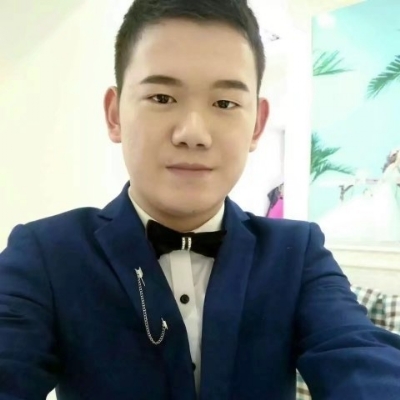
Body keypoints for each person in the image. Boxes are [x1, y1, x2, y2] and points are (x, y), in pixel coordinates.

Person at [1, 1, 400, 399]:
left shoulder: (297, 253)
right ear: (115, 115)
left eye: (225, 103)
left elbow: (357, 352)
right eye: (162, 97)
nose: (193, 133)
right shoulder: (46, 254)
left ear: (257, 124)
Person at [318, 148, 400, 243]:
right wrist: (373, 191)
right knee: (384, 212)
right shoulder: (392, 167)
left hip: (389, 191)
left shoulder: (395, 168)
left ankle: (386, 235)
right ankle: (384, 235)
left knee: (386, 213)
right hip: (385, 191)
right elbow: (383, 180)